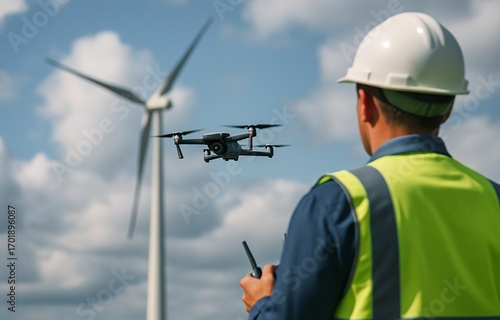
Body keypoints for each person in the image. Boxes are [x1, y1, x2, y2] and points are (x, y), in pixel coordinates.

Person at [239, 11, 500, 320]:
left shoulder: (336, 202)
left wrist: (262, 305)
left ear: (364, 103)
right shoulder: (493, 197)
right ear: (448, 107)